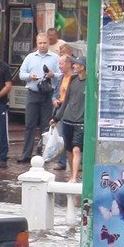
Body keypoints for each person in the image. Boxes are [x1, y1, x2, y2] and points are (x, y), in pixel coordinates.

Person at [16, 32, 59, 163]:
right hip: (32, 93)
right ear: (36, 43)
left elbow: (62, 74)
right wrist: (30, 76)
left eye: (44, 43)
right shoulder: (30, 57)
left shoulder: (55, 58)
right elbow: (21, 74)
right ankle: (26, 154)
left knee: (45, 125)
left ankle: (42, 154)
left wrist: (53, 75)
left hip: (48, 94)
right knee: (29, 124)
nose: (42, 45)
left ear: (48, 43)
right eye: (40, 43)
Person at [51, 55, 86, 183]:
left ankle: (74, 177)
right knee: (69, 150)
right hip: (67, 119)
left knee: (77, 149)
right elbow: (66, 101)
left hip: (80, 121)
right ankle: (72, 175)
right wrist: (56, 118)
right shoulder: (73, 80)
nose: (74, 66)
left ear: (82, 67)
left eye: (76, 64)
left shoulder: (90, 83)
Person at [51, 48, 74, 170]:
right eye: (59, 63)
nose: (59, 66)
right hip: (59, 110)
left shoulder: (74, 78)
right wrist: (54, 100)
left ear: (69, 64)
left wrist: (64, 101)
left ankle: (74, 161)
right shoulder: (60, 78)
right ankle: (62, 161)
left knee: (69, 136)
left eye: (61, 63)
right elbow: (55, 92)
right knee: (61, 136)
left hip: (70, 111)